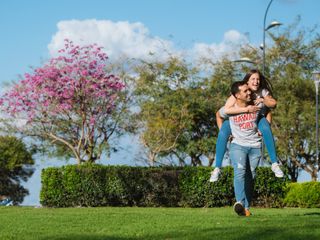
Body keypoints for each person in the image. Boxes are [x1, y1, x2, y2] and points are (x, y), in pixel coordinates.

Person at [209, 69, 283, 182]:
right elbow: (225, 111)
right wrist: (246, 110)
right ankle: (217, 168)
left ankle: (274, 163)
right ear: (246, 82)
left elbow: (271, 106)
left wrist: (263, 101)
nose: (256, 81)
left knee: (266, 127)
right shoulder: (239, 94)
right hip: (237, 122)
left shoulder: (262, 92)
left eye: (258, 79)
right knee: (224, 130)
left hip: (256, 121)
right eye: (253, 79)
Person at [224, 80, 262, 216]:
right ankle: (239, 203)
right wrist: (225, 132)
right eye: (245, 91)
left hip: (255, 146)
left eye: (249, 90)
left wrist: (263, 127)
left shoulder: (257, 103)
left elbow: (270, 109)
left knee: (251, 176)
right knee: (240, 171)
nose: (249, 92)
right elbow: (221, 113)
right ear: (237, 95)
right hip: (238, 145)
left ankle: (246, 208)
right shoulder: (231, 108)